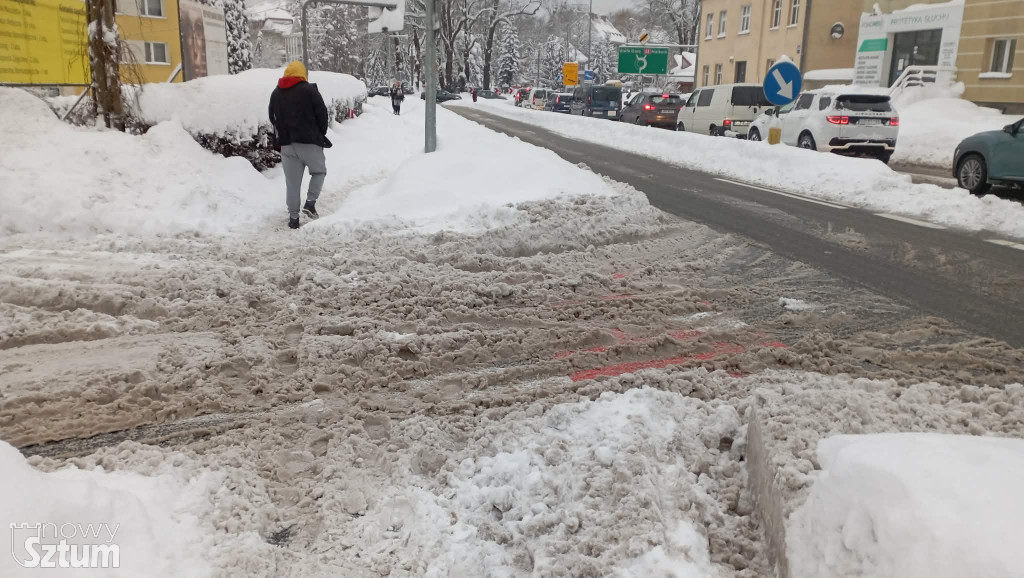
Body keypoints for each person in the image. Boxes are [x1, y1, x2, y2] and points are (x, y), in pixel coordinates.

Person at [268, 61, 330, 230]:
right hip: (310, 141)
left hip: (287, 145)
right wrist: (320, 133)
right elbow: (322, 114)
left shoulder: (276, 92)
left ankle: (293, 218)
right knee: (319, 172)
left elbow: (272, 117)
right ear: (302, 73)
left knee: (292, 183)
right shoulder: (309, 90)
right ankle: (310, 204)